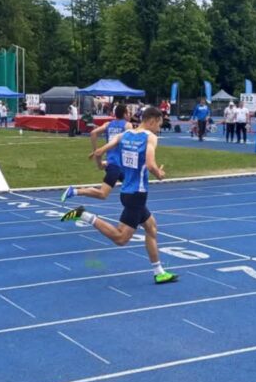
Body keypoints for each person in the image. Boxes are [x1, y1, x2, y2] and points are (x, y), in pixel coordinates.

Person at [60, 107, 177, 284]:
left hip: (128, 192)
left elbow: (99, 152)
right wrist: (159, 174)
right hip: (137, 194)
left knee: (151, 228)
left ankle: (158, 271)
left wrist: (100, 163)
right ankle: (83, 214)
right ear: (152, 121)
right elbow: (151, 164)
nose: (158, 129)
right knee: (121, 238)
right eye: (159, 125)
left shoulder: (125, 135)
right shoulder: (150, 138)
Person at [61, 104, 133, 203]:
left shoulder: (108, 124)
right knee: (103, 194)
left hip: (117, 164)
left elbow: (93, 133)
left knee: (132, 186)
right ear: (124, 114)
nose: (130, 115)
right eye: (129, 112)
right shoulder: (127, 125)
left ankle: (135, 211)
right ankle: (74, 191)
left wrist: (95, 150)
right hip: (116, 165)